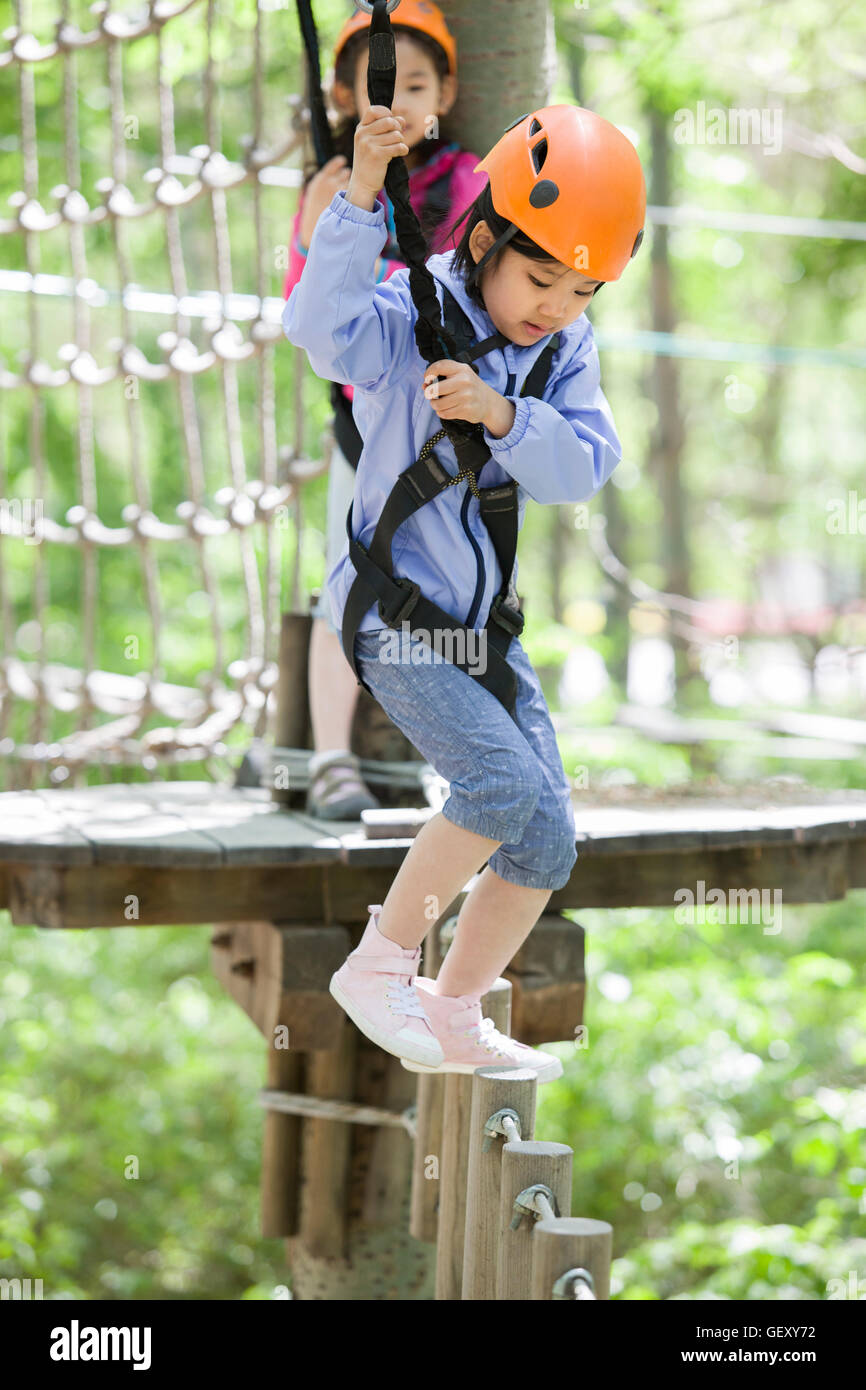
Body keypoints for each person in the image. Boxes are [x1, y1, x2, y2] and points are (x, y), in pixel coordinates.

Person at [282, 101, 645, 1078]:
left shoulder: (563, 351)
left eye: (581, 288)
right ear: (483, 236)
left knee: (545, 837)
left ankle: (450, 1008)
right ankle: (379, 964)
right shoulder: (408, 316)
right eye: (538, 276)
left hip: (482, 630)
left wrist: (503, 415)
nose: (554, 304)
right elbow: (318, 330)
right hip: (395, 620)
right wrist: (359, 190)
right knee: (500, 784)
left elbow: (580, 467)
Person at [284, 0, 486, 819]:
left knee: (451, 588)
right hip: (361, 423)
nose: (397, 101)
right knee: (347, 577)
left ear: (444, 93)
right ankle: (332, 755)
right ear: (343, 97)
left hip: (445, 420)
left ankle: (455, 755)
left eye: (415, 84)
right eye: (378, 85)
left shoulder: (465, 180)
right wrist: (320, 227)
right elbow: (306, 309)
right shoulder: (333, 186)